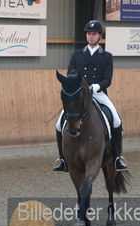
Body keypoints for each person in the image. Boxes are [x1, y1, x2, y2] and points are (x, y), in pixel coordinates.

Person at [53, 20, 128, 172]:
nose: (91, 36)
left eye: (94, 34)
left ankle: (118, 158)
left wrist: (96, 86)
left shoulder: (106, 56)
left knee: (116, 120)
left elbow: (108, 79)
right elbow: (70, 74)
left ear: (99, 36)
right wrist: (78, 85)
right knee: (59, 124)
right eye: (88, 34)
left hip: (98, 94)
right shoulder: (77, 55)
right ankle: (62, 160)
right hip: (80, 95)